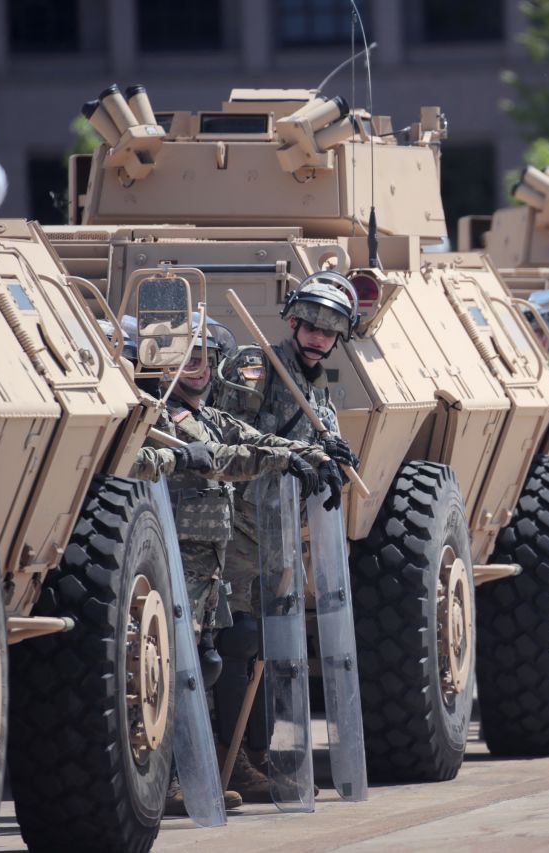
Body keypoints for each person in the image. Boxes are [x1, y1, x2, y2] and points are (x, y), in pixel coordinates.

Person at [130, 319, 340, 812]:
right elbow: (134, 460)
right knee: (173, 668)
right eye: (184, 359)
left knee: (206, 664)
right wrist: (180, 462)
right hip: (172, 560)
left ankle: (203, 766)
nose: (194, 370)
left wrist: (313, 453)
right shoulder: (156, 414)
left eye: (203, 359)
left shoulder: (206, 417)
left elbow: (253, 443)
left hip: (211, 562)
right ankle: (171, 776)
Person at [208, 271, 362, 801]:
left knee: (273, 648)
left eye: (332, 328)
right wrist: (294, 453)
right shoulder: (256, 366)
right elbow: (224, 430)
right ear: (293, 320)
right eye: (312, 323)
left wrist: (334, 458)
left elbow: (322, 440)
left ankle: (256, 757)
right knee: (237, 640)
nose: (319, 336)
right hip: (238, 527)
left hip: (280, 535)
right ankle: (227, 759)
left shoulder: (317, 389)